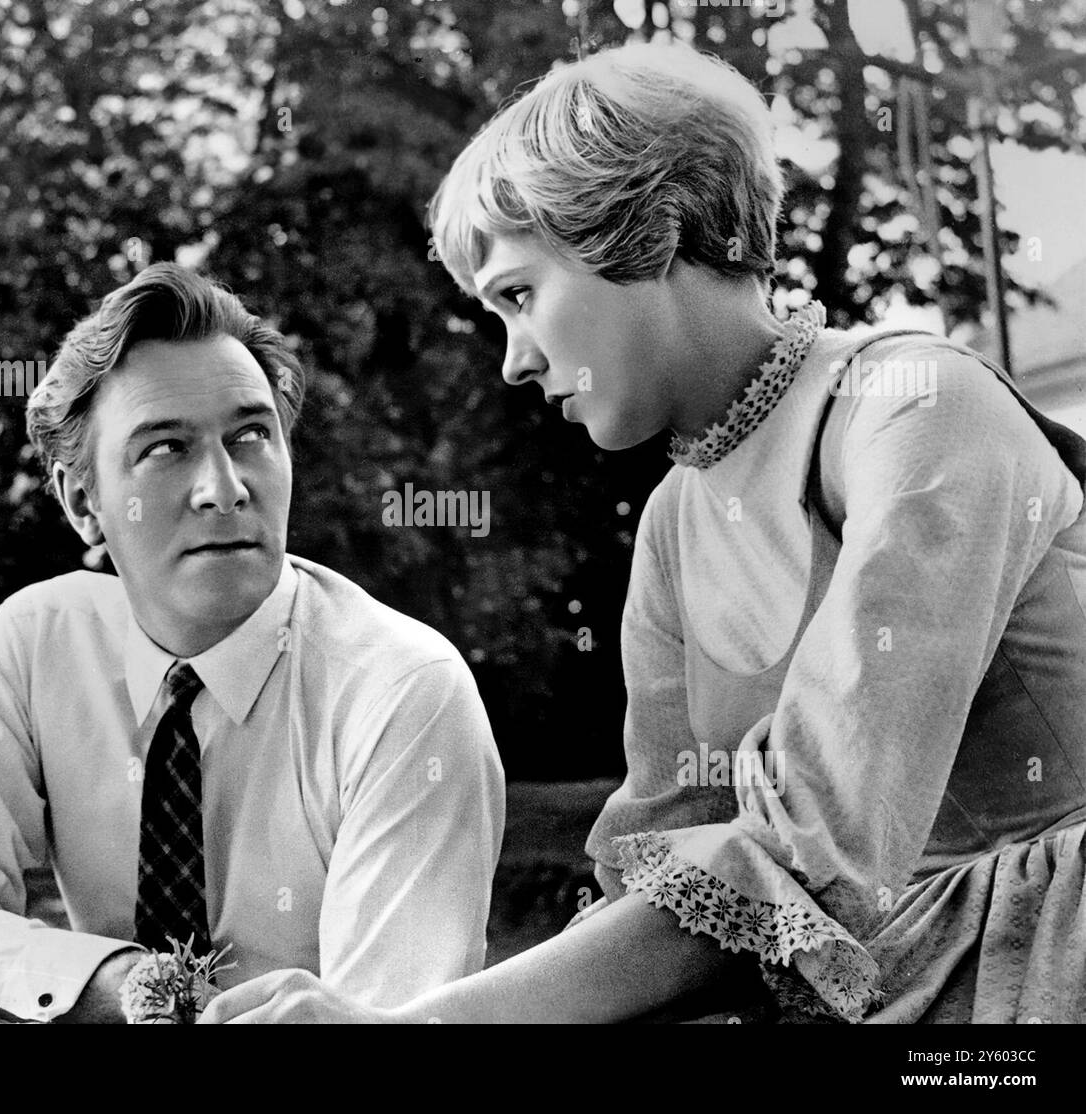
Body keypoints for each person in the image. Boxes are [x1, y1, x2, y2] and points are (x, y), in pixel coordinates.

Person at [202, 41, 1086, 1024]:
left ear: (647, 233)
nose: (513, 364)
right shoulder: (674, 521)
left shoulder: (916, 407)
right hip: (874, 996)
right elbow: (661, 881)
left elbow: (810, 848)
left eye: (519, 296)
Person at [0, 264, 505, 1024]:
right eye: (166, 449)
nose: (224, 487)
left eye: (252, 435)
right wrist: (121, 986)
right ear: (82, 503)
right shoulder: (37, 646)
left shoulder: (404, 693)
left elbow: (389, 1022)